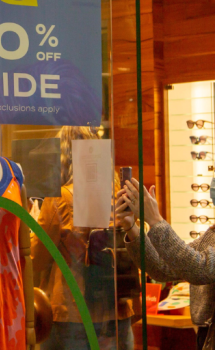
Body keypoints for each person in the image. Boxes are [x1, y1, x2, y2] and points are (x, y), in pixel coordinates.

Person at [32, 126, 135, 350]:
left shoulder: (61, 197)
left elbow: (37, 259)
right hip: (117, 311)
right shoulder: (118, 193)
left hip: (74, 314)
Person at [118, 179, 215, 350]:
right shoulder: (212, 234)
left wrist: (155, 220)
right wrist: (131, 227)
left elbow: (201, 268)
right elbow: (161, 268)